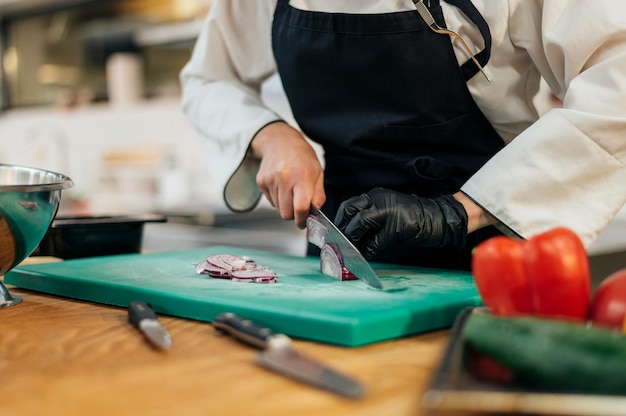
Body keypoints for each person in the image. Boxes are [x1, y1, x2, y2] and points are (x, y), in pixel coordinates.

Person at [180, 0, 626, 270]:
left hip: (496, 247)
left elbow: (617, 88)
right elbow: (209, 78)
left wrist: (453, 214)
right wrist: (271, 134)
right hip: (340, 253)